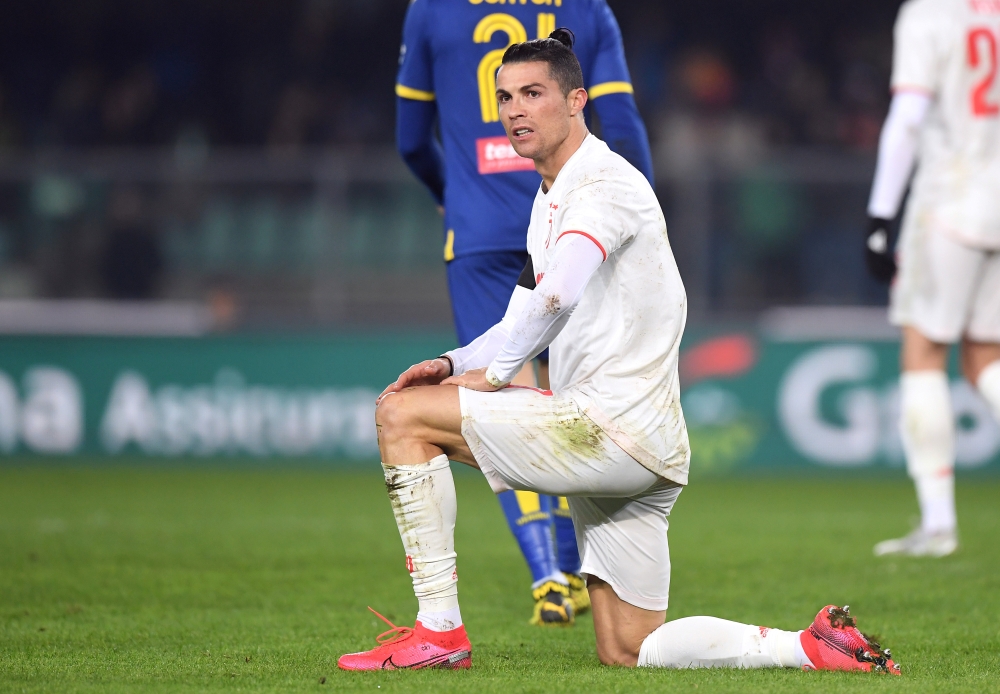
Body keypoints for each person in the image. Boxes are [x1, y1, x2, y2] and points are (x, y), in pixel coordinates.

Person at [339, 32, 901, 675]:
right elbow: (527, 308)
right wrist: (453, 360)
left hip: (604, 430)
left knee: (401, 415)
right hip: (647, 444)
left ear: (576, 100)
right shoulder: (551, 196)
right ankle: (812, 650)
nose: (515, 109)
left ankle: (439, 633)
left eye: (533, 93)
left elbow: (557, 296)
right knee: (629, 649)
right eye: (504, 97)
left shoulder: (601, 185)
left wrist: (486, 379)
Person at [395, 0, 654, 624]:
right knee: (576, 392)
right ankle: (575, 563)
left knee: (504, 394)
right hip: (580, 208)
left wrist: (451, 196)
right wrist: (642, 213)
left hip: (479, 224)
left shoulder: (433, 9)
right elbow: (620, 117)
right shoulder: (587, 8)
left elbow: (410, 139)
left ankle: (546, 575)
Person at [864, 0, 1000, 557]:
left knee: (923, 350)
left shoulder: (930, 14)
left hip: (949, 198)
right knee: (986, 357)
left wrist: (879, 214)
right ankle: (937, 525)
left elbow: (910, 117)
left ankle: (939, 524)